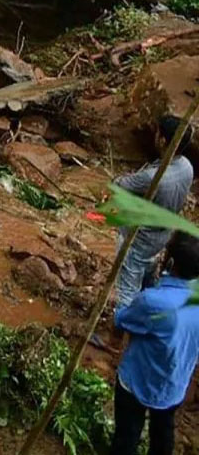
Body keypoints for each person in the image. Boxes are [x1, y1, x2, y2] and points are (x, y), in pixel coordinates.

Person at [110, 231, 199, 455]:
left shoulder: (153, 301)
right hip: (174, 385)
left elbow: (124, 319)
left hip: (137, 382)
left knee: (126, 437)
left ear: (170, 261)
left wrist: (121, 308)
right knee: (163, 434)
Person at [112, 115, 196, 310]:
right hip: (162, 237)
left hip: (138, 240)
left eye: (157, 133)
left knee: (127, 289)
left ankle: (122, 324)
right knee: (149, 279)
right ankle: (149, 311)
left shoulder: (153, 177)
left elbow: (120, 185)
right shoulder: (186, 166)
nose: (155, 136)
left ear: (163, 140)